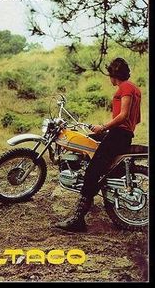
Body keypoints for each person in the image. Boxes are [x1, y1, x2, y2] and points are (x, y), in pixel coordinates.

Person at [54, 57, 141, 233]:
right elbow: (135, 119)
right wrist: (103, 130)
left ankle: (78, 220)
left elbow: (123, 115)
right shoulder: (135, 89)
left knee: (93, 171)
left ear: (113, 74)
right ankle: (90, 198)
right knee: (89, 142)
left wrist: (105, 127)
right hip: (122, 134)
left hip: (118, 135)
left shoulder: (125, 88)